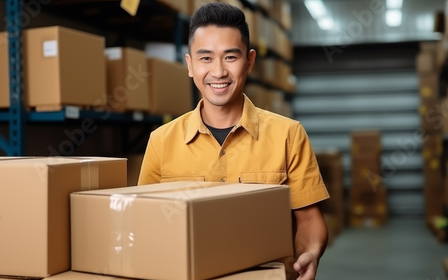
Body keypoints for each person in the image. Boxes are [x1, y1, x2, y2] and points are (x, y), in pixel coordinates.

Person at [138, 2, 329, 279]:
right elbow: (146, 222)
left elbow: (309, 218)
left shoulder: (288, 134)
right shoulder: (161, 141)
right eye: (205, 58)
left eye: (230, 57)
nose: (218, 72)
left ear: (249, 61)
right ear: (189, 65)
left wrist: (310, 252)